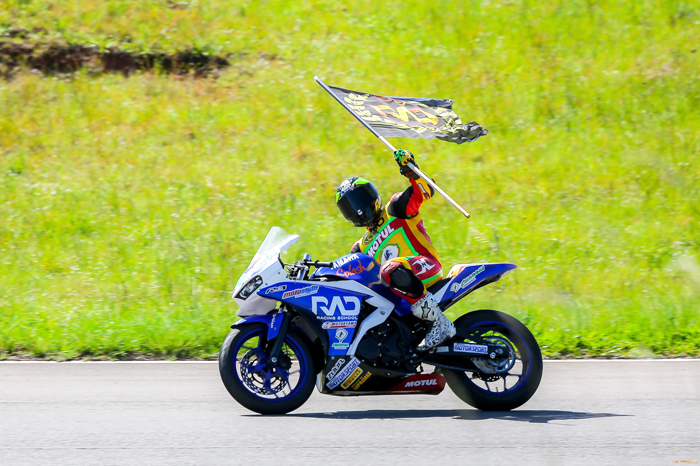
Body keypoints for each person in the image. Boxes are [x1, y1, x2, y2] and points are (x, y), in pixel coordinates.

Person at [335, 149, 456, 350]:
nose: (357, 209)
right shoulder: (360, 246)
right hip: (397, 291)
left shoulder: (395, 208)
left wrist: (410, 169)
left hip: (425, 267)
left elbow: (426, 190)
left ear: (372, 196)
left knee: (389, 269)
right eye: (349, 206)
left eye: (359, 200)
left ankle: (438, 322)